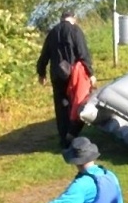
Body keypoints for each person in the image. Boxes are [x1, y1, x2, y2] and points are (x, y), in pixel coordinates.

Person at [36, 10, 95, 150]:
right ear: (74, 18)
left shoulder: (52, 32)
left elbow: (44, 55)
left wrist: (41, 73)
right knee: (78, 103)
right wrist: (90, 73)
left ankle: (64, 138)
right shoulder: (75, 30)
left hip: (57, 75)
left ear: (61, 19)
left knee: (61, 106)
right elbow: (82, 53)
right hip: (74, 75)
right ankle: (72, 134)